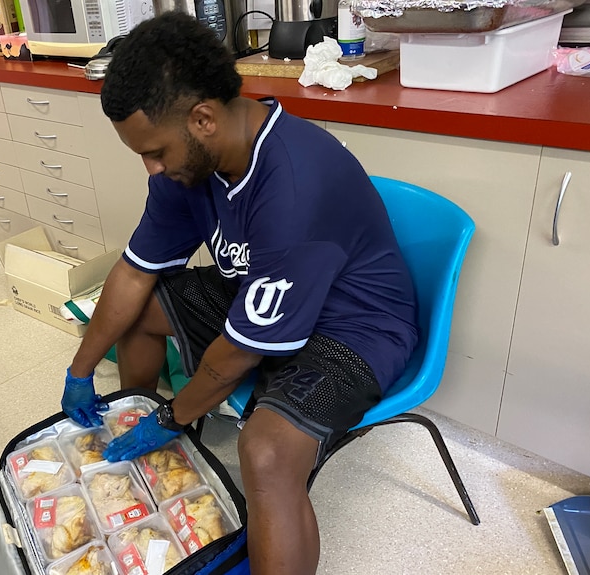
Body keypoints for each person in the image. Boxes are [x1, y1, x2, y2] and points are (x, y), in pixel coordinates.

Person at [60, 12, 419, 575]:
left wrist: (177, 415)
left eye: (155, 152)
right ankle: (135, 441)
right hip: (261, 291)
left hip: (354, 326)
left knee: (265, 453)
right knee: (139, 312)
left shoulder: (296, 185)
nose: (151, 170)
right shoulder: (188, 167)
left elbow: (240, 353)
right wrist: (81, 367)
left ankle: (160, 432)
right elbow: (135, 272)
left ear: (202, 119)